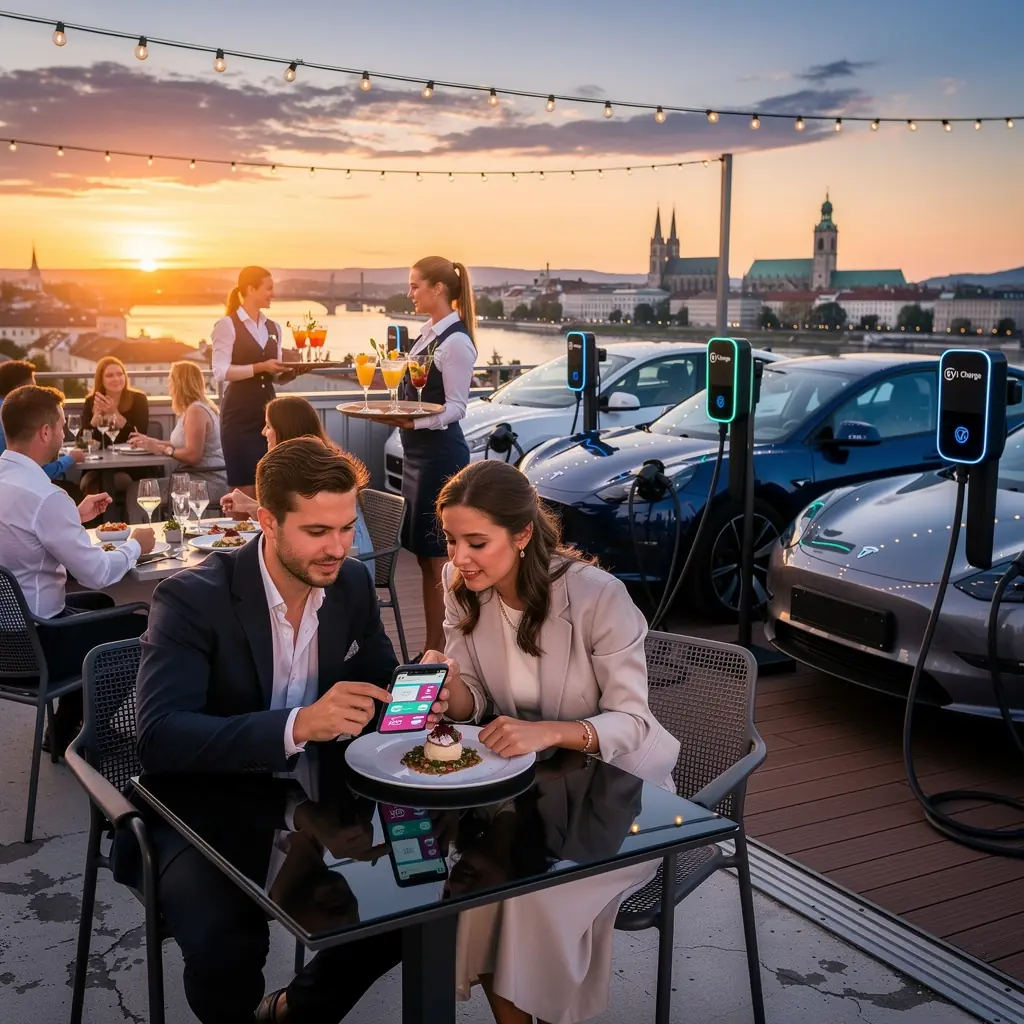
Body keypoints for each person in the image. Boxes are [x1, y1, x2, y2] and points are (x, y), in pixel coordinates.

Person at [135, 438, 444, 1023]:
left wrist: (415, 696)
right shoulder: (191, 598)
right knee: (227, 943)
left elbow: (377, 679)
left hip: (321, 795)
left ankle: (289, 1015)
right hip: (204, 803)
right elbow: (159, 737)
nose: (337, 549)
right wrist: (298, 724)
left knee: (412, 909)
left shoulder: (349, 585)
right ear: (268, 521)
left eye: (347, 528)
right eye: (317, 531)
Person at [428, 459, 680, 1024]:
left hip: (619, 796)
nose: (458, 558)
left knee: (526, 894)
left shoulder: (597, 597)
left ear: (521, 535)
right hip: (529, 791)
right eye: (449, 540)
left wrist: (552, 732)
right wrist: (449, 690)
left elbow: (634, 721)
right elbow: (474, 695)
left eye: (476, 542)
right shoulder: (463, 585)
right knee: (474, 882)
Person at [0, 385, 155, 752]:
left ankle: (62, 731)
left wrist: (75, 515)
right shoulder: (45, 497)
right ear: (44, 432)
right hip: (37, 646)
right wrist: (137, 544)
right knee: (145, 625)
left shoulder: (18, 487)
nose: (64, 434)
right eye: (59, 426)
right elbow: (97, 571)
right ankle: (90, 739)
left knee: (100, 605)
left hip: (6, 637)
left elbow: (25, 538)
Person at [377, 256, 477, 653]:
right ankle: (433, 643)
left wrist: (412, 424)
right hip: (418, 458)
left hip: (439, 458)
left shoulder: (455, 342)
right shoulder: (427, 335)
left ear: (438, 289)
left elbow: (456, 407)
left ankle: (439, 649)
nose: (410, 292)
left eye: (416, 285)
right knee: (422, 555)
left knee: (439, 561)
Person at [220, 395, 375, 575]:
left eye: (269, 425)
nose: (263, 432)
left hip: (346, 567)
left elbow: (312, 523)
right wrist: (250, 505)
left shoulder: (319, 471)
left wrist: (250, 505)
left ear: (285, 429)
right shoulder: (307, 464)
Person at [212, 265, 295, 497]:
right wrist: (260, 367)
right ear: (250, 289)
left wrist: (292, 372)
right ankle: (237, 534)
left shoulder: (274, 328)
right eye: (268, 288)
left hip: (269, 416)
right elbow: (220, 371)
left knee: (268, 487)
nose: (273, 294)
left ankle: (265, 534)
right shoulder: (227, 325)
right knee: (243, 489)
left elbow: (274, 375)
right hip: (238, 417)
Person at [127, 360, 229, 511]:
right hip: (197, 478)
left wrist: (162, 449)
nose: (169, 387)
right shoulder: (196, 408)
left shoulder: (196, 412)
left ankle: (144, 532)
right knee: (141, 489)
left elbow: (193, 455)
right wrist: (151, 442)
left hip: (205, 483)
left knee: (137, 491)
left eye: (171, 382)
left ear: (179, 384)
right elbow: (183, 444)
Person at [0, 359, 85, 481]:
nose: (36, 392)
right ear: (19, 390)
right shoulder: (16, 417)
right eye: (32, 388)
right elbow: (35, 473)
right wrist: (70, 459)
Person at [78, 355, 150, 498]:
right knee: (88, 484)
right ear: (101, 380)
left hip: (132, 466)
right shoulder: (92, 401)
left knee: (117, 482)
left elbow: (139, 435)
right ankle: (96, 519)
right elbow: (81, 442)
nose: (117, 379)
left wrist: (114, 413)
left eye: (120, 374)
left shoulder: (138, 400)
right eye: (110, 375)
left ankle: (121, 519)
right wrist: (95, 419)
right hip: (97, 467)